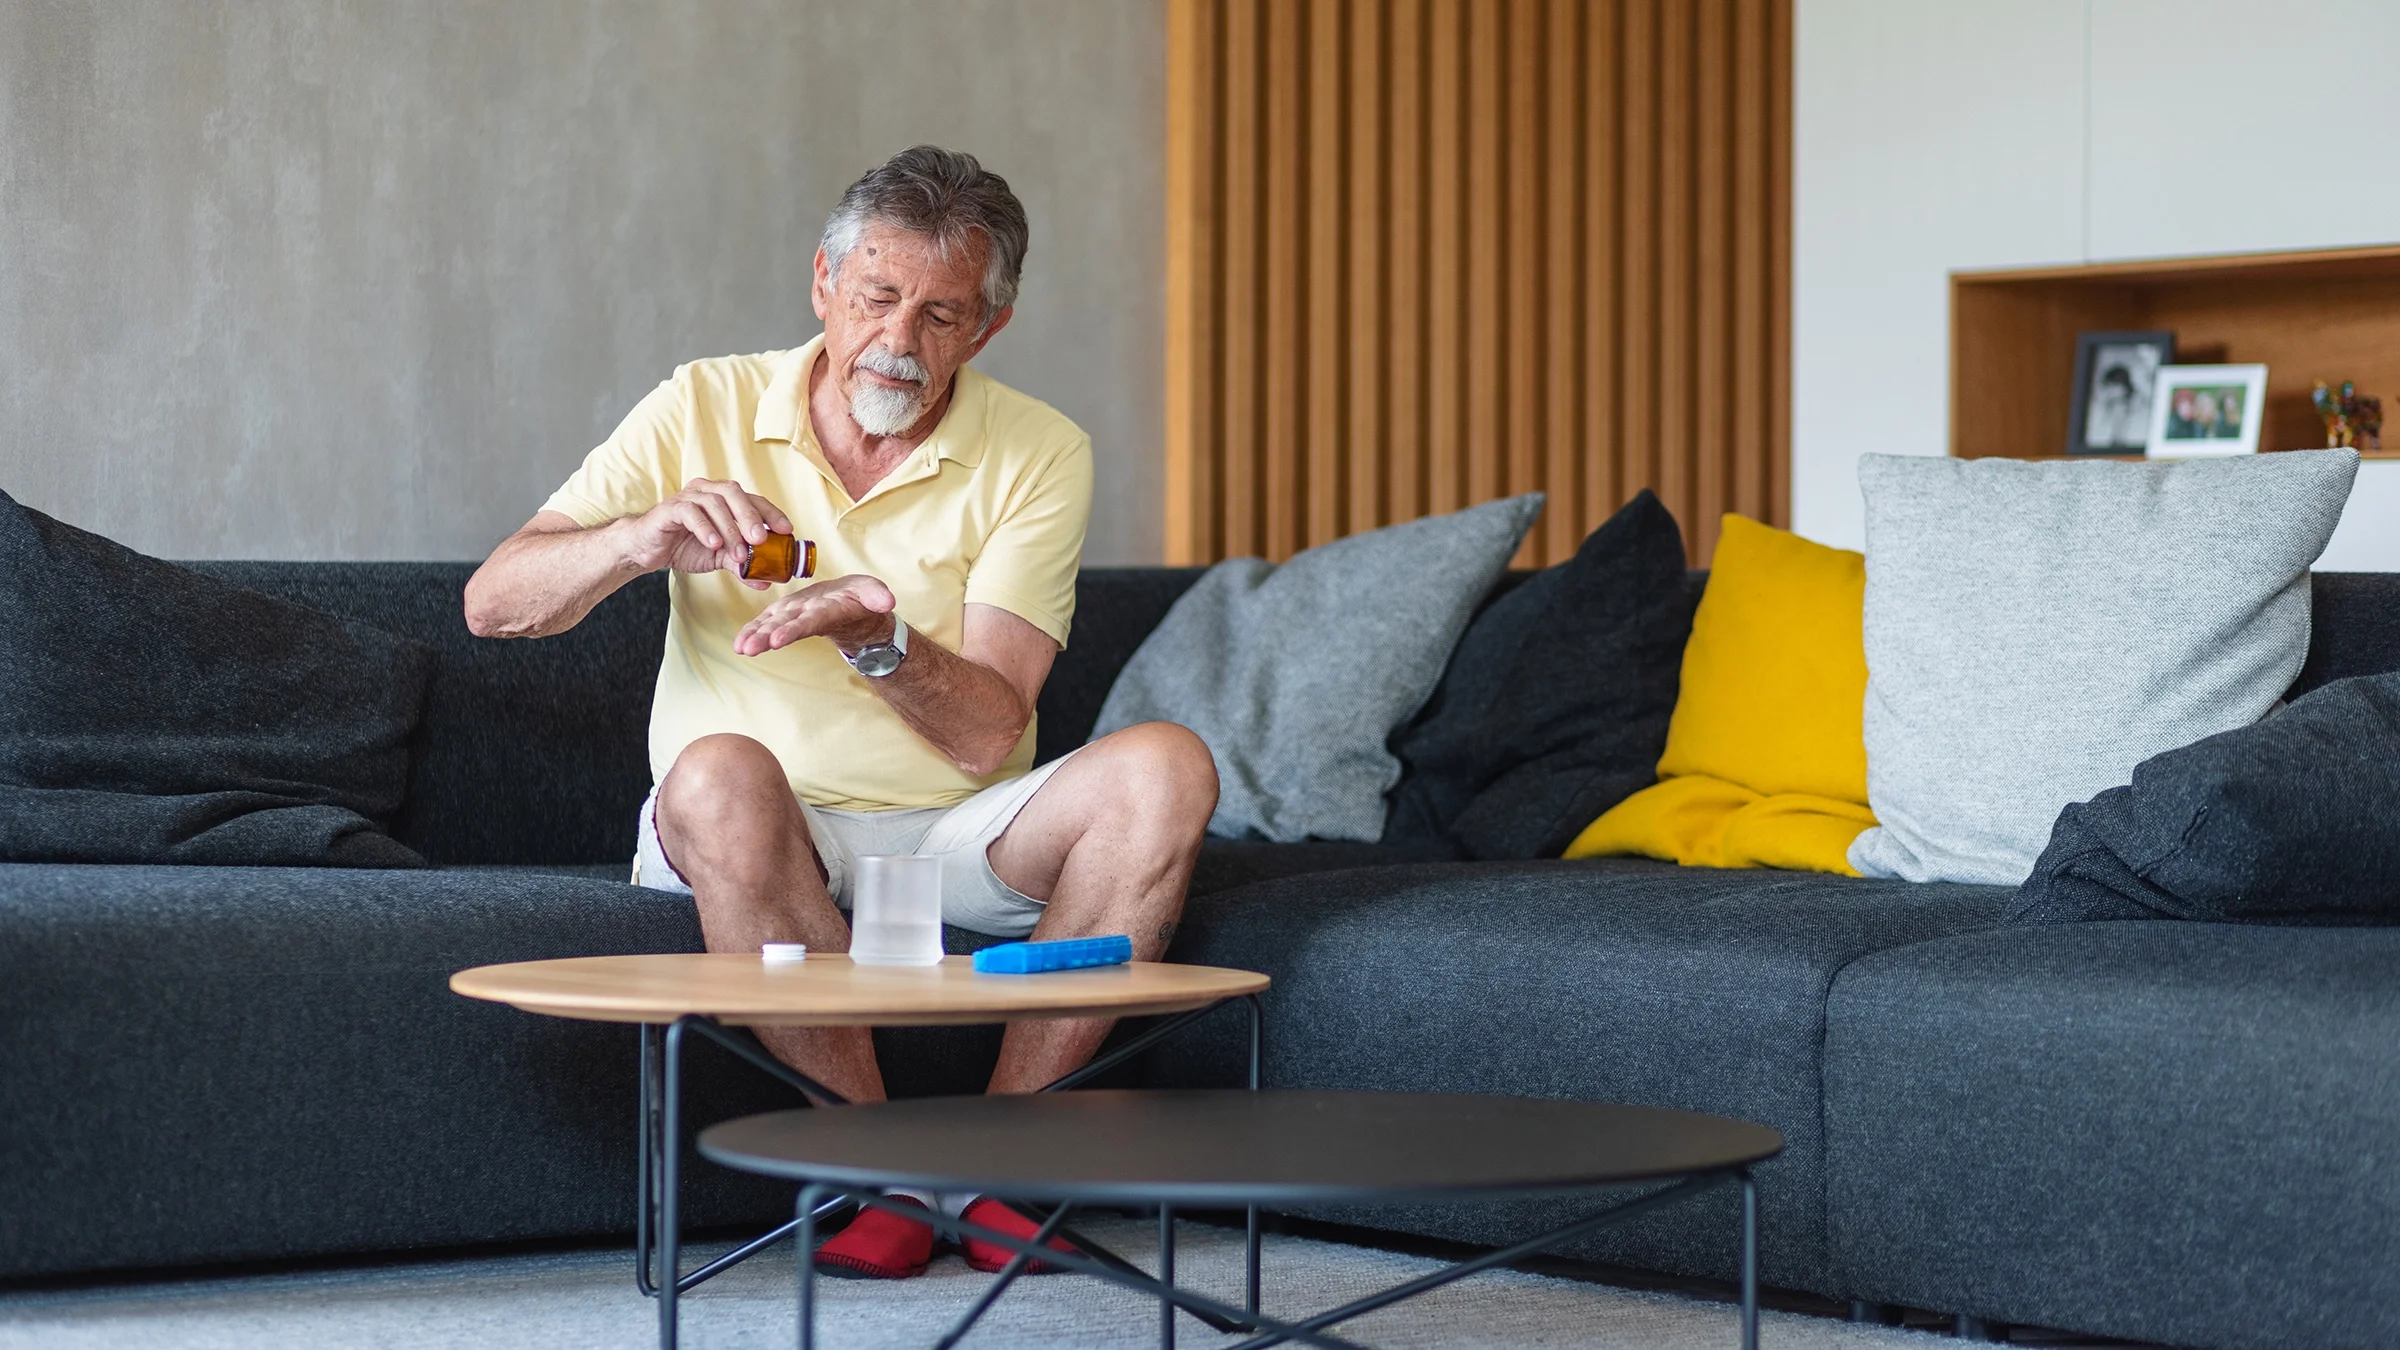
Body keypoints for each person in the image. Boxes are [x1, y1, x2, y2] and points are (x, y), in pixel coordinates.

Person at [463, 146, 1219, 1280]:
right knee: (718, 768)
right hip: (752, 830)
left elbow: (983, 732)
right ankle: (884, 1175)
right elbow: (491, 606)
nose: (898, 343)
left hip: (955, 836)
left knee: (1168, 767)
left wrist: (877, 640)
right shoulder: (701, 402)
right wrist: (636, 539)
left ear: (988, 330)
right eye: (876, 297)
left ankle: (1004, 1166)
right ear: (823, 282)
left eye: (942, 314)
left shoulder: (1039, 450)